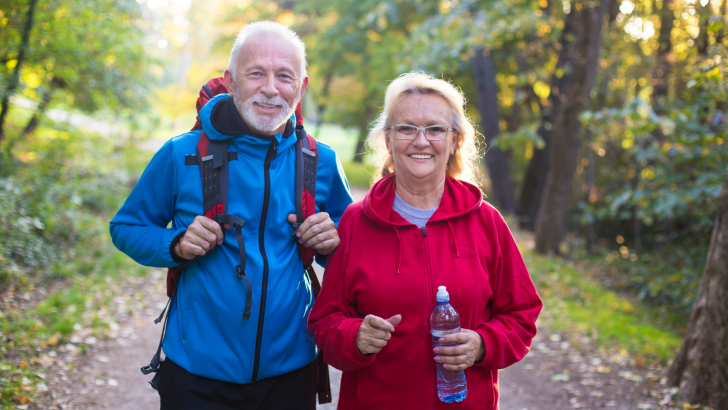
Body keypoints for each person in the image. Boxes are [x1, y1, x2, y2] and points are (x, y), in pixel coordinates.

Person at [110, 21, 353, 410]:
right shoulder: (180, 153)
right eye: (256, 73)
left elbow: (351, 247)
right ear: (231, 81)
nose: (270, 88)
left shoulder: (320, 160)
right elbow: (125, 227)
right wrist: (175, 242)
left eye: (284, 76)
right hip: (196, 374)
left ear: (302, 87)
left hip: (291, 371)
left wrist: (332, 240)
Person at [308, 72, 542, 409]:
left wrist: (482, 343)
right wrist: (354, 337)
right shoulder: (357, 223)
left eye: (435, 129)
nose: (421, 141)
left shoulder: (486, 221)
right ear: (388, 140)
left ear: (454, 141)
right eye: (406, 128)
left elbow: (522, 315)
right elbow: (325, 321)